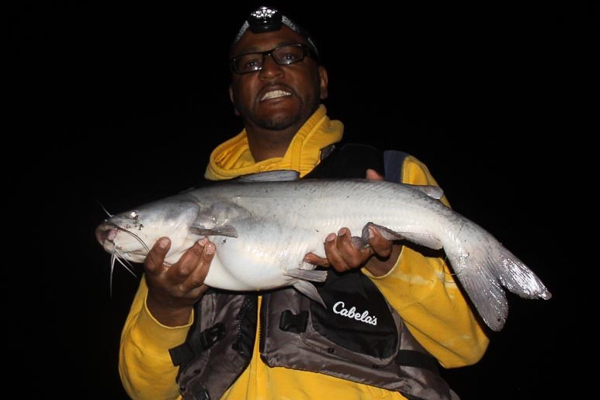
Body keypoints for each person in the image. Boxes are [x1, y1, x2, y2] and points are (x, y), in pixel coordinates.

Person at [119, 6, 489, 400]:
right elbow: (143, 389)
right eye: (248, 63)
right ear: (232, 96)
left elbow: (465, 345)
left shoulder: (388, 175)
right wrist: (166, 306)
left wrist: (389, 262)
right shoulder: (185, 216)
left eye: (290, 55)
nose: (270, 70)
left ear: (323, 80)